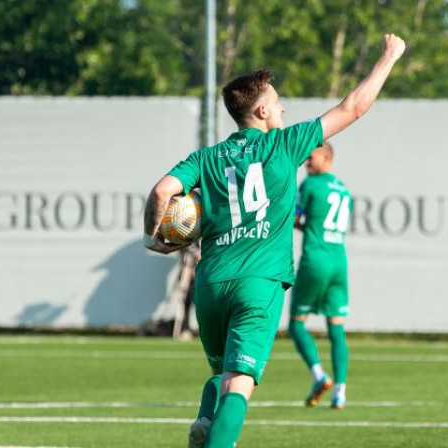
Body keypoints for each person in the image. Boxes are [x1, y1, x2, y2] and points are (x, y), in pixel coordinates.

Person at [143, 33, 406, 448]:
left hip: (211, 284)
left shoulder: (205, 157)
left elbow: (162, 192)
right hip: (259, 283)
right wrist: (390, 57)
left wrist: (154, 238)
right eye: (279, 102)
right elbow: (354, 107)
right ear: (262, 110)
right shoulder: (285, 144)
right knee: (240, 384)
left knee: (219, 376)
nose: (283, 108)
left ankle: (206, 419)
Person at [290, 141, 352, 409]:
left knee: (296, 323)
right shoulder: (344, 190)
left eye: (311, 158)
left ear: (327, 156)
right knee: (336, 327)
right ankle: (340, 391)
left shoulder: (311, 185)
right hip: (339, 262)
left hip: (315, 261)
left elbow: (294, 219)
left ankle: (319, 376)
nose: (306, 163)